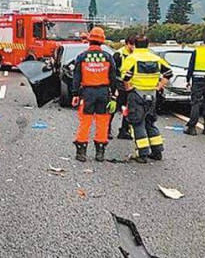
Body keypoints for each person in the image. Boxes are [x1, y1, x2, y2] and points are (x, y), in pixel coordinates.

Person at [120, 35, 173, 163]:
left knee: (138, 123)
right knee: (150, 122)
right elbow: (169, 73)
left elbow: (125, 77)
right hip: (152, 95)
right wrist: (159, 86)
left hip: (137, 93)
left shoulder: (132, 58)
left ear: (135, 45)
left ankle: (142, 154)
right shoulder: (156, 58)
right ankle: (157, 151)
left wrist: (128, 88)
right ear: (148, 45)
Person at [72, 27, 120, 162]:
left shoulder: (82, 57)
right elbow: (113, 77)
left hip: (87, 93)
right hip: (103, 93)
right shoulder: (108, 57)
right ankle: (100, 153)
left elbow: (77, 77)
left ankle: (81, 152)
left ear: (89, 40)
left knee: (85, 122)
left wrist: (75, 94)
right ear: (102, 41)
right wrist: (114, 95)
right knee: (103, 122)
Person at [111, 36, 136, 140]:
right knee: (113, 108)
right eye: (132, 45)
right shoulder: (119, 54)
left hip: (130, 85)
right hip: (119, 84)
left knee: (128, 109)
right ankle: (107, 129)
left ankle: (124, 130)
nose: (133, 47)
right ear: (126, 44)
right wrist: (114, 87)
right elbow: (113, 72)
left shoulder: (135, 55)